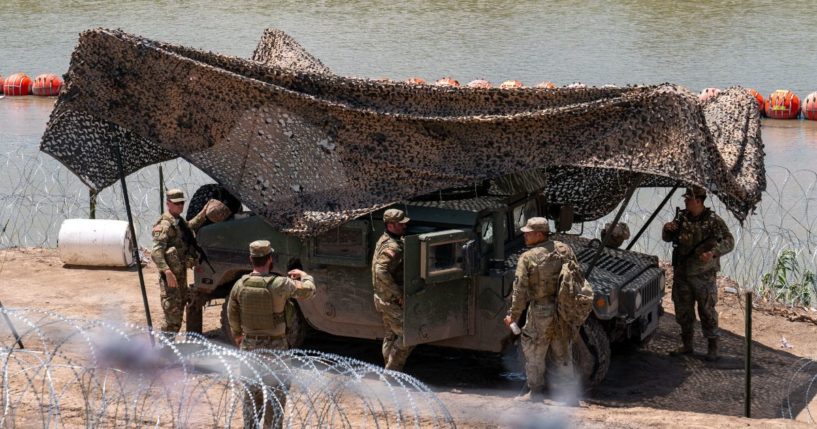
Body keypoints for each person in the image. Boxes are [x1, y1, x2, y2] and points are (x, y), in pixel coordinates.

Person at [227, 240, 316, 429]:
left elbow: (231, 313)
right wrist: (304, 275)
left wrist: (237, 335)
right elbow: (308, 291)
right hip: (277, 348)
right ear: (270, 259)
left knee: (252, 396)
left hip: (250, 347)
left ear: (251, 259)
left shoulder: (240, 285)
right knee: (277, 396)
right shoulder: (280, 284)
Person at [503, 217, 588, 404]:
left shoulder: (527, 258)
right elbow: (577, 277)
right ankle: (569, 397)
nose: (525, 235)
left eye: (529, 232)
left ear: (539, 234)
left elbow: (519, 291)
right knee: (563, 352)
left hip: (540, 311)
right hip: (562, 310)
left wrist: (513, 316)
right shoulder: (564, 250)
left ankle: (535, 393)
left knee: (534, 353)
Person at [662, 186, 734, 361]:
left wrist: (713, 253)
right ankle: (687, 345)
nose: (685, 201)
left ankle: (712, 347)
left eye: (688, 199)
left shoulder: (713, 221)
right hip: (682, 272)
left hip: (703, 274)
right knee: (683, 310)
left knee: (707, 310)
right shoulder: (682, 218)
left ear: (698, 201)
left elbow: (729, 241)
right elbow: (668, 238)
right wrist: (667, 229)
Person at [151, 188, 211, 336]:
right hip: (171, 279)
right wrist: (166, 271)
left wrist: (203, 214)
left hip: (180, 275)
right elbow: (156, 252)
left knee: (179, 311)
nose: (180, 206)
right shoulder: (164, 225)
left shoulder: (178, 221)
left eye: (182, 203)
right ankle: (165, 351)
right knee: (172, 318)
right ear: (168, 204)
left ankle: (169, 350)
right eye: (176, 203)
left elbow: (188, 228)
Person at [371, 208, 414, 371]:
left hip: (383, 298)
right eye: (400, 224)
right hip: (390, 300)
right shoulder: (392, 246)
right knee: (408, 336)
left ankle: (389, 371)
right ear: (390, 225)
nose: (405, 226)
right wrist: (398, 293)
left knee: (390, 335)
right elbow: (380, 270)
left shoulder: (386, 239)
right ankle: (392, 372)